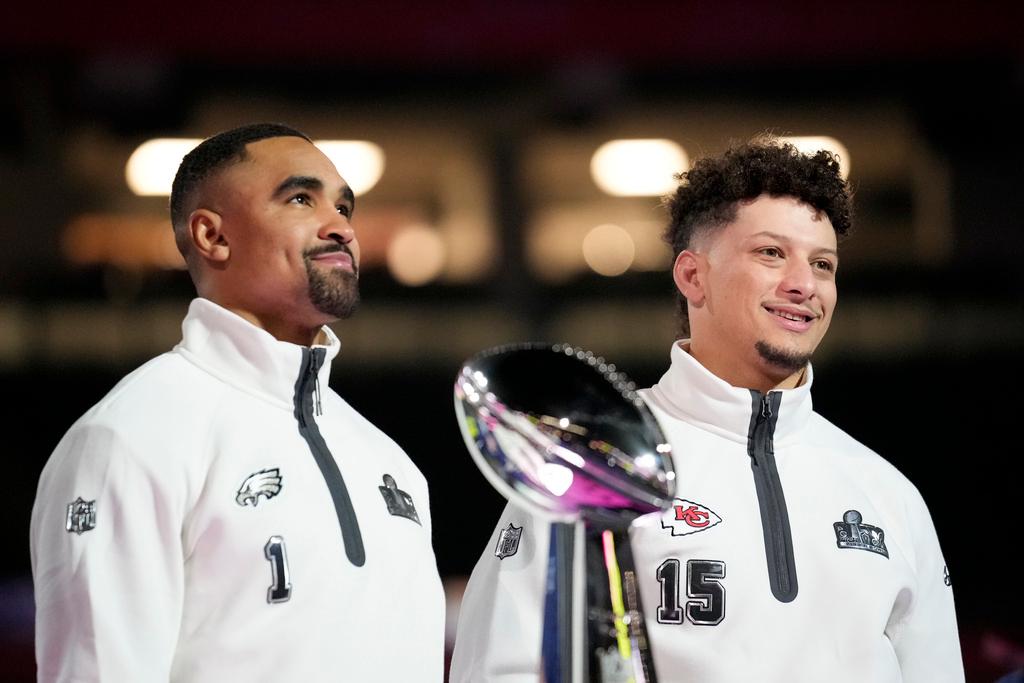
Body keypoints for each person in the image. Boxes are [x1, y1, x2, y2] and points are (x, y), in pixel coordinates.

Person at [450, 139, 963, 681]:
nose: (803, 284)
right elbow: (497, 667)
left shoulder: (887, 494)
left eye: (822, 264)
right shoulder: (596, 464)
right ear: (693, 276)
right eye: (771, 253)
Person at [31, 123, 445, 682]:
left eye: (345, 207)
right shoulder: (129, 437)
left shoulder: (389, 463)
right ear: (212, 236)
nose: (341, 227)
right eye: (301, 198)